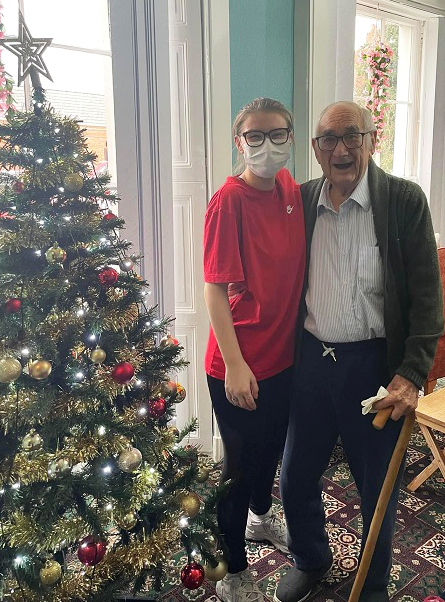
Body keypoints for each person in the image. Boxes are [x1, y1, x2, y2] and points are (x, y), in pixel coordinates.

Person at [275, 101, 443, 602]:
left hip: (374, 368)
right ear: (316, 149)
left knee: (377, 486)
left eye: (353, 136)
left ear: (372, 139)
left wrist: (411, 373)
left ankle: (371, 587)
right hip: (312, 361)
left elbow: (428, 299)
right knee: (295, 475)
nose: (341, 149)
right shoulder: (302, 200)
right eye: (329, 139)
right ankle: (310, 558)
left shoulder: (403, 200)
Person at [203, 97, 306, 602]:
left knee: (270, 456)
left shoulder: (289, 188)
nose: (268, 145)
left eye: (278, 133)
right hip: (238, 363)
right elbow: (215, 289)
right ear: (239, 142)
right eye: (255, 136)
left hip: (283, 359)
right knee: (240, 469)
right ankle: (233, 569)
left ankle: (260, 519)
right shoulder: (229, 200)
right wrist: (236, 365)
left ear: (291, 136)